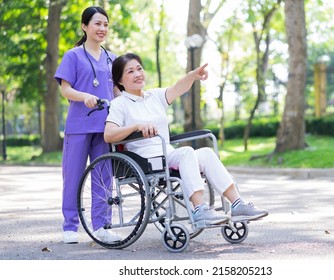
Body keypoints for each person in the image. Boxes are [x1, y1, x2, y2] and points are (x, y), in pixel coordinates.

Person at [104, 53, 269, 225]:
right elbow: (109, 134)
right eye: (130, 72)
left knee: (206, 153)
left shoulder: (155, 96)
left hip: (167, 154)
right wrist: (136, 126)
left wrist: (192, 76)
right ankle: (199, 209)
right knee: (186, 153)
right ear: (120, 81)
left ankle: (237, 204)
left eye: (139, 69)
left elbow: (177, 88)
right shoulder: (119, 104)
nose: (137, 74)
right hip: (146, 160)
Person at [54, 6, 121, 244]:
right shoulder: (73, 56)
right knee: (72, 177)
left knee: (104, 177)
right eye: (97, 24)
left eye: (105, 24)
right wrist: (84, 97)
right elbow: (65, 89)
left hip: (106, 127)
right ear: (84, 26)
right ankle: (70, 227)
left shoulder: (112, 58)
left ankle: (101, 226)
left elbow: (117, 92)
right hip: (79, 125)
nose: (102, 29)